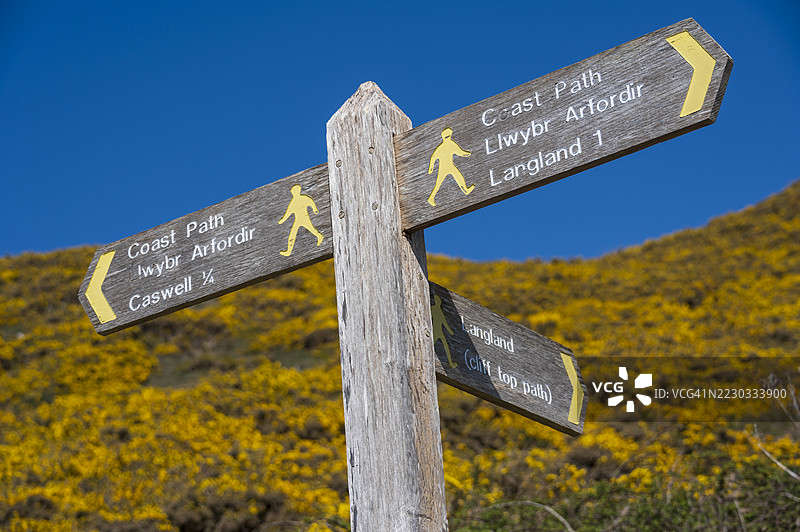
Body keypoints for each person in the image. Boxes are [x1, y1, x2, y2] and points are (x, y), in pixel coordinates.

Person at [427, 127, 475, 206]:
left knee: (458, 176)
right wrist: (431, 168)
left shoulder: (451, 144)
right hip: (443, 168)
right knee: (438, 183)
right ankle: (431, 198)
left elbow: (460, 152)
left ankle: (465, 190)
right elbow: (433, 157)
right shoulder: (442, 147)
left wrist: (466, 154)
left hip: (450, 166)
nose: (448, 137)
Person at [278, 185, 324, 257]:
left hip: (305, 218)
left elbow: (311, 202)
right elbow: (288, 213)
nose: (295, 193)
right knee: (292, 234)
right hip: (298, 220)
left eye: (296, 191)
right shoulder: (293, 202)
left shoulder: (304, 198)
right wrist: (282, 220)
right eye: (294, 192)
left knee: (311, 229)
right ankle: (289, 251)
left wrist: (315, 209)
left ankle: (319, 236)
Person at [431, 294, 457, 369]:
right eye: (437, 300)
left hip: (440, 332)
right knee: (431, 345)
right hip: (435, 331)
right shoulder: (433, 308)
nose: (438, 302)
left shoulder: (440, 311)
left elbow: (444, 323)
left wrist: (451, 332)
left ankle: (451, 363)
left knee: (446, 346)